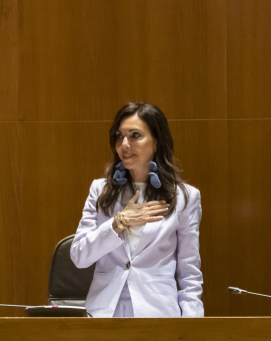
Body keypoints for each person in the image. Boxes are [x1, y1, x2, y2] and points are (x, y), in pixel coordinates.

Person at [71, 102, 203, 317]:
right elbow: (79, 256)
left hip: (157, 313)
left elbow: (190, 273)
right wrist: (118, 222)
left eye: (134, 135)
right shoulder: (100, 190)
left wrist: (191, 328)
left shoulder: (184, 197)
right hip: (105, 312)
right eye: (119, 136)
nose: (124, 144)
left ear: (157, 141)